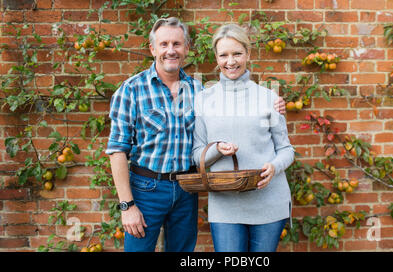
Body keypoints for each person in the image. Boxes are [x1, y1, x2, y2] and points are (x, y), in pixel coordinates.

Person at [106, 17, 286, 252]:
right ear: (152, 49)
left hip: (185, 189)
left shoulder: (199, 91)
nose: (171, 50)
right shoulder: (131, 90)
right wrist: (127, 205)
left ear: (187, 49)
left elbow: (235, 108)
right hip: (146, 189)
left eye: (177, 44)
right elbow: (117, 150)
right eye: (164, 44)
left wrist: (274, 103)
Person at [192, 23, 295, 252]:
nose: (231, 61)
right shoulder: (203, 99)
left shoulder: (269, 97)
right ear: (216, 58)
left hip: (268, 200)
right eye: (224, 55)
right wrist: (218, 149)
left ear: (248, 53)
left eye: (237, 53)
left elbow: (286, 150)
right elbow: (196, 153)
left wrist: (274, 167)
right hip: (225, 204)